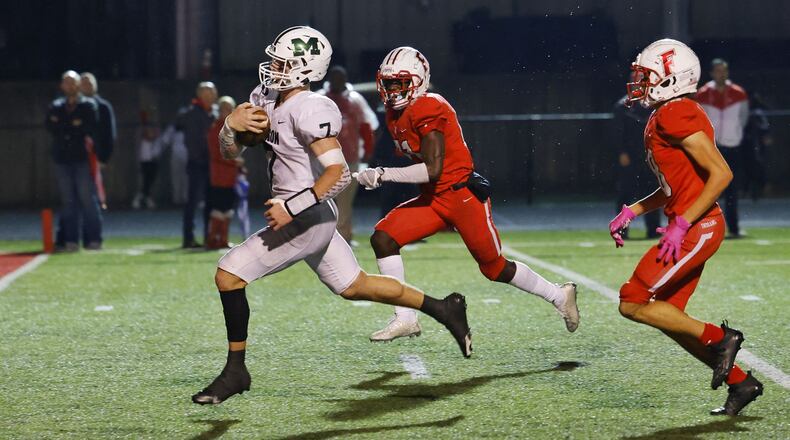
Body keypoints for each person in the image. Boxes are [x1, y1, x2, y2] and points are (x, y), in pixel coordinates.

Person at [191, 26, 472, 406]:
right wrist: (230, 128)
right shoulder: (266, 95)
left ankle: (235, 371)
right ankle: (443, 308)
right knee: (354, 285)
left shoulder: (312, 107)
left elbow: (337, 174)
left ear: (305, 68)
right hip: (305, 212)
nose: (273, 65)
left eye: (283, 61)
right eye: (275, 58)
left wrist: (290, 207)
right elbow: (232, 151)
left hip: (306, 217)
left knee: (228, 274)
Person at [355, 47, 579, 342]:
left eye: (401, 83)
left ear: (419, 80)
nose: (394, 90)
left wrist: (383, 174)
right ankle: (405, 318)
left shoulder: (427, 106)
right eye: (389, 83)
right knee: (383, 238)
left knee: (494, 268)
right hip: (434, 199)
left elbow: (433, 169)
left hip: (462, 198)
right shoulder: (395, 116)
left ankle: (559, 295)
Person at [610, 38, 762, 416]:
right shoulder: (664, 114)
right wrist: (633, 211)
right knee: (669, 317)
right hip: (692, 224)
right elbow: (673, 187)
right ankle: (740, 382)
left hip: (698, 227)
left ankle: (723, 337)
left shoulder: (676, 113)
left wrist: (681, 223)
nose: (640, 82)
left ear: (670, 79)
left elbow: (721, 174)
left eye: (647, 76)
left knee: (632, 301)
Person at [317, 66, 378, 244]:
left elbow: (367, 126)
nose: (337, 82)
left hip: (350, 158)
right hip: (323, 159)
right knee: (322, 199)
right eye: (334, 78)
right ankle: (321, 237)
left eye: (340, 78)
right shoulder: (320, 98)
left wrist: (367, 152)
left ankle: (343, 238)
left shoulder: (355, 100)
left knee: (345, 202)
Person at [45, 70, 101, 251]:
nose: (69, 86)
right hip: (62, 158)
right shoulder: (56, 105)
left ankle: (93, 239)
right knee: (68, 201)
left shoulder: (88, 105)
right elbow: (51, 126)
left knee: (87, 199)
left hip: (81, 158)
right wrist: (71, 125)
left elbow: (87, 127)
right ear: (61, 86)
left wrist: (66, 125)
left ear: (78, 85)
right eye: (66, 82)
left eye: (73, 82)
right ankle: (71, 240)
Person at [695, 59, 749, 238]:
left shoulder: (738, 93)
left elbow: (744, 117)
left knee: (732, 190)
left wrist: (735, 134)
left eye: (723, 70)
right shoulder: (703, 93)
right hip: (711, 148)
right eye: (717, 71)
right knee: (709, 190)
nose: (721, 74)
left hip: (732, 146)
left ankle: (733, 228)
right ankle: (707, 227)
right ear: (711, 73)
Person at [612, 93, 661, 239]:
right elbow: (617, 132)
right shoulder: (623, 106)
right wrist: (622, 152)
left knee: (652, 192)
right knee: (626, 193)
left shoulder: (654, 103)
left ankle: (653, 229)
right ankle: (621, 229)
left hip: (649, 155)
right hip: (631, 156)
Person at [177, 81, 218, 248]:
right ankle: (189, 238)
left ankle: (210, 237)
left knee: (211, 202)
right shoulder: (192, 113)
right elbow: (192, 140)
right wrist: (203, 156)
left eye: (211, 93)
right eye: (205, 93)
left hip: (213, 164)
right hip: (197, 163)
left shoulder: (216, 113)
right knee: (192, 202)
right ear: (199, 95)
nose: (208, 96)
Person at [205, 96, 242, 249]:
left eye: (229, 109)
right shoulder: (216, 129)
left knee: (227, 208)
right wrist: (235, 161)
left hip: (230, 175)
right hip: (220, 174)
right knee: (219, 208)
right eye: (224, 109)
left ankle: (223, 239)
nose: (226, 112)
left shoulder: (231, 129)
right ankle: (213, 239)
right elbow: (217, 154)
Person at [132, 114, 163, 210]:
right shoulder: (142, 138)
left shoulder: (155, 139)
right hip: (145, 161)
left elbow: (157, 139)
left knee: (150, 181)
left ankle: (146, 198)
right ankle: (140, 199)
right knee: (146, 181)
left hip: (153, 160)